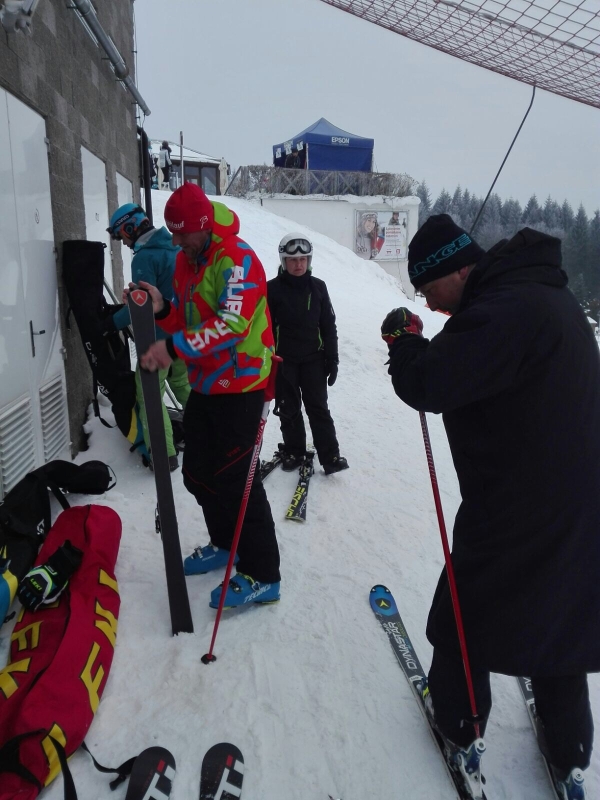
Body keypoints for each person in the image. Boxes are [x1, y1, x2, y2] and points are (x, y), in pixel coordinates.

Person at [380, 213, 600, 799]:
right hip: (577, 500)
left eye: (429, 289)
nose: (429, 304)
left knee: (463, 613)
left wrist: (404, 342)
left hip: (519, 506)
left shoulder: (503, 310)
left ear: (457, 270)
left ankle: (460, 725)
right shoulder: (539, 296)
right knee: (559, 615)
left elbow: (430, 381)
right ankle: (569, 748)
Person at [131, 183, 281, 610]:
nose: (177, 242)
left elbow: (231, 326)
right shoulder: (187, 260)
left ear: (203, 225)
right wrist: (162, 309)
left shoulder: (237, 259)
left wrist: (172, 348)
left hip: (242, 387)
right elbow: (188, 319)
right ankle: (225, 542)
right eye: (172, 234)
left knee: (237, 481)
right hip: (206, 385)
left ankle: (263, 575)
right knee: (198, 472)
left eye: (182, 234)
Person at [106, 203, 191, 471]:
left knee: (149, 395)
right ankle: (211, 434)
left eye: (121, 236)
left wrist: (110, 323)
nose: (124, 242)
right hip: (181, 336)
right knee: (183, 386)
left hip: (157, 341)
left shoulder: (144, 258)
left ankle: (164, 456)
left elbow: (140, 305)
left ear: (130, 228)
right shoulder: (175, 249)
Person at [267, 233, 348, 475]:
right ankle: (294, 451)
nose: (298, 264)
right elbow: (265, 328)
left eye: (303, 259)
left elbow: (328, 326)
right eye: (293, 260)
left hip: (314, 359)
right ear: (284, 261)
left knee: (318, 408)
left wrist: (332, 359)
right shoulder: (271, 289)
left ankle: (330, 456)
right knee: (288, 408)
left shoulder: (318, 287)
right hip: (284, 361)